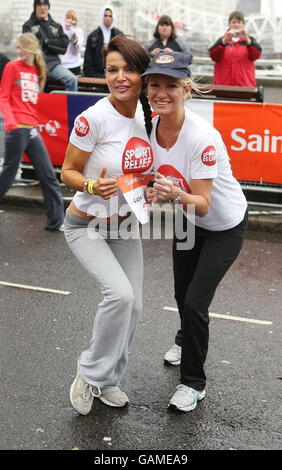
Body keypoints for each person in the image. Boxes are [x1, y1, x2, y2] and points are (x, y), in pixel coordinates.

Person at [143, 51, 248, 412]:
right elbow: (150, 181)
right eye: (154, 84)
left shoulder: (202, 136)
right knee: (180, 293)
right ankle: (184, 336)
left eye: (170, 85)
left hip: (223, 225)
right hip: (189, 221)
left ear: (186, 89)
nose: (161, 92)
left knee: (195, 302)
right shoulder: (150, 128)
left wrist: (172, 194)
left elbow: (202, 203)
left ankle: (193, 383)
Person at [61, 35, 153, 415]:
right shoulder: (93, 118)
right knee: (120, 295)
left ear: (142, 74)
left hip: (126, 225)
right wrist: (89, 185)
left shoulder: (148, 114)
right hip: (86, 225)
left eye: (129, 69)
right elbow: (67, 170)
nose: (120, 77)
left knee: (134, 307)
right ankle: (88, 374)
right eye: (112, 70)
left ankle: (107, 380)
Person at [0, 33, 64, 231]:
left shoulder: (37, 70)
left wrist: (33, 125)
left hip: (31, 130)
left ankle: (56, 221)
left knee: (47, 174)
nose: (19, 51)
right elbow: (3, 98)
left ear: (31, 49)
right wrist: (11, 123)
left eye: (22, 47)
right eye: (17, 47)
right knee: (9, 175)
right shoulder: (11, 67)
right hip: (16, 129)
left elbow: (30, 103)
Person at [22, 0, 78, 92]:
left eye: (45, 4)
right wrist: (53, 44)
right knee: (38, 88)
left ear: (48, 7)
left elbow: (64, 46)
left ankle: (71, 105)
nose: (42, 7)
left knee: (72, 79)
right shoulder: (28, 26)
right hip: (36, 64)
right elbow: (30, 46)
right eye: (39, 5)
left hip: (54, 64)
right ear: (35, 7)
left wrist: (47, 42)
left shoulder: (56, 26)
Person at [208, 10, 262, 87]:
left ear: (243, 25)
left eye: (239, 22)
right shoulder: (222, 41)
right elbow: (213, 55)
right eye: (233, 22)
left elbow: (256, 55)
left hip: (244, 86)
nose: (236, 25)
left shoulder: (249, 41)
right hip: (223, 86)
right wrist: (224, 41)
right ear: (229, 24)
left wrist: (248, 42)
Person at [83, 5, 123, 78]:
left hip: (116, 76)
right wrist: (95, 76)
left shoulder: (119, 36)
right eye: (105, 15)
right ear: (101, 17)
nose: (108, 18)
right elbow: (88, 62)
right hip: (96, 76)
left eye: (110, 16)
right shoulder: (93, 36)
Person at [60, 9, 84, 76]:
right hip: (62, 66)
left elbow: (76, 51)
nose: (71, 21)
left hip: (74, 65)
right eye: (68, 18)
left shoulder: (79, 31)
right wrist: (66, 30)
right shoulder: (60, 31)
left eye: (73, 19)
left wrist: (72, 33)